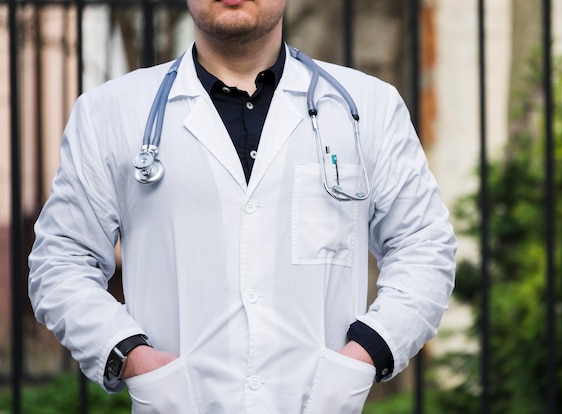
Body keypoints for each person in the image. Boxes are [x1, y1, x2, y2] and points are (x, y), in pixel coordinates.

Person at [28, 0, 456, 412]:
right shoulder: (110, 113)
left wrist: (367, 353)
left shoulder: (369, 108)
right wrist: (130, 355)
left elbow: (424, 247)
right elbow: (61, 262)